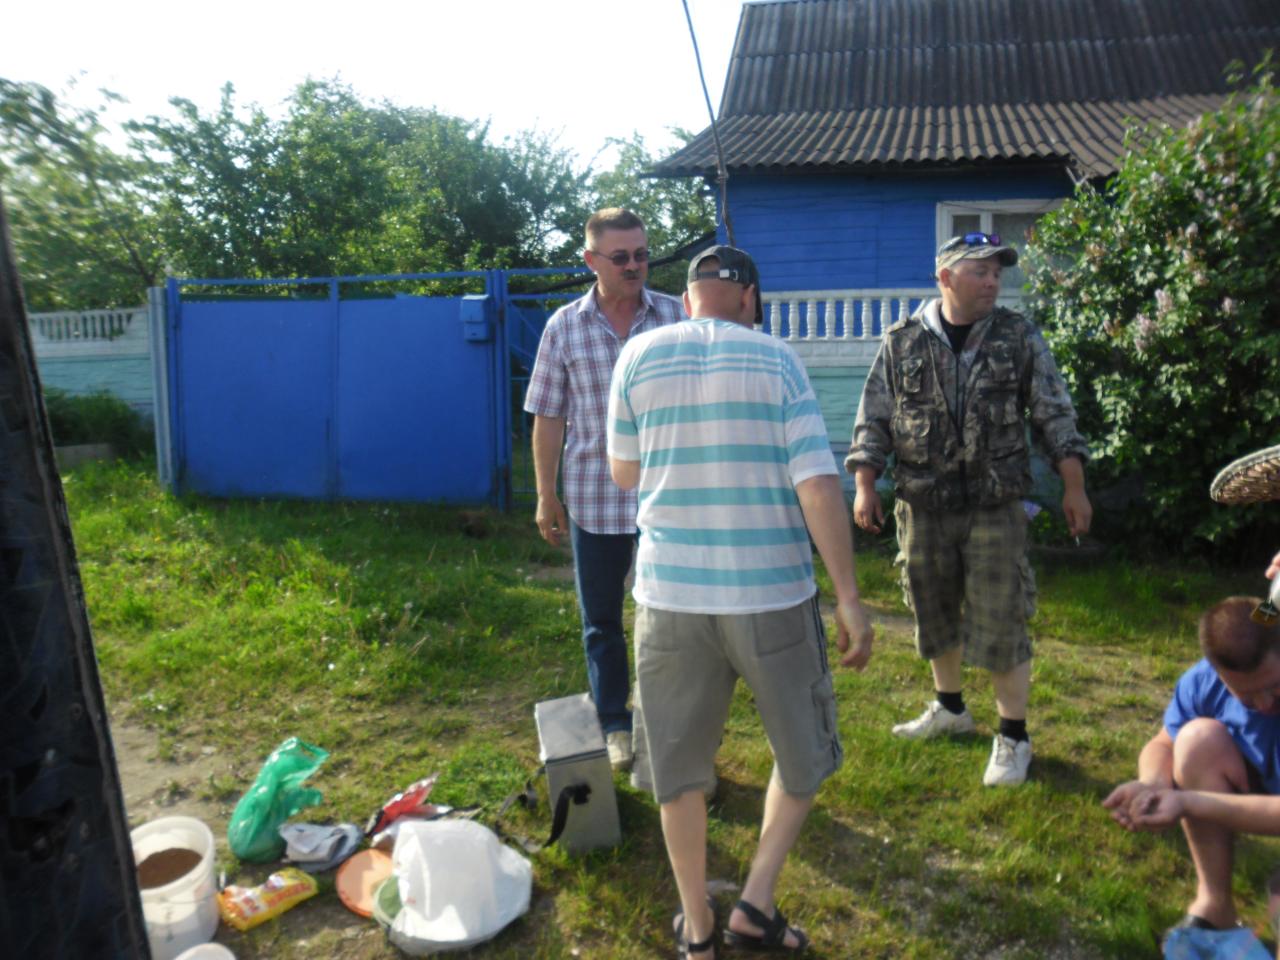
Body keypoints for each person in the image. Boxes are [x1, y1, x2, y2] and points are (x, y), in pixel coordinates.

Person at [607, 246, 875, 957]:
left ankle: (697, 929)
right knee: (803, 751)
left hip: (670, 596)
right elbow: (816, 482)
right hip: (772, 595)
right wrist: (849, 596)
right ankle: (755, 902)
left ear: (687, 297)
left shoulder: (636, 357)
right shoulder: (777, 360)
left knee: (676, 770)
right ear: (750, 299)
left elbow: (625, 473)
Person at [847, 232, 1091, 787]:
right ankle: (951, 708)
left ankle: (1013, 736)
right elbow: (874, 416)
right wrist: (864, 483)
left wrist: (1073, 486)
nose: (992, 282)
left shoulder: (1017, 336)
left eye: (996, 272)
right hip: (923, 503)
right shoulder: (903, 340)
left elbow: (1053, 413)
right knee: (931, 608)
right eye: (980, 271)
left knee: (1002, 617)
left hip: (994, 504)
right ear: (945, 277)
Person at [524, 208, 684, 771]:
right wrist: (546, 495)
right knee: (602, 622)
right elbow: (548, 416)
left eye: (641, 254)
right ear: (591, 260)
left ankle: (668, 722)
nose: (634, 265)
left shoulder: (676, 317)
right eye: (620, 257)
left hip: (669, 497)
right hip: (594, 498)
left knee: (675, 617)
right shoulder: (564, 326)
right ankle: (614, 722)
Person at [1103, 592, 1280, 935]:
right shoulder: (1204, 681)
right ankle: (1214, 906)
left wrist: (1187, 802)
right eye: (1246, 695)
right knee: (1195, 740)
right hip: (1261, 782)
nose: (1264, 704)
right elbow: (1163, 743)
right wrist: (1152, 784)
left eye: (1275, 687)